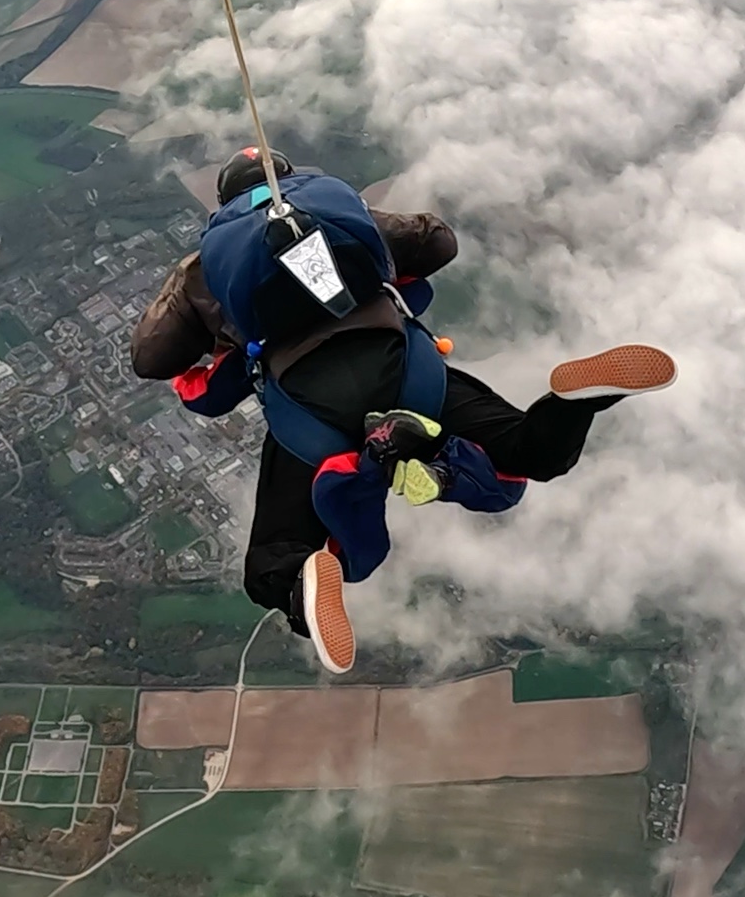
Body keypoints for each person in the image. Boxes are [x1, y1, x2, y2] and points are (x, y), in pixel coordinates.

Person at [128, 147, 674, 672]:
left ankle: (301, 578)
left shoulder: (204, 268)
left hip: (306, 409)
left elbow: (151, 358)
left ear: (223, 200)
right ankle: (572, 404)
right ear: (287, 174)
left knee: (271, 560)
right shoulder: (328, 204)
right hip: (405, 369)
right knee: (530, 453)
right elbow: (438, 243)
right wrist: (375, 253)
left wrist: (219, 333)